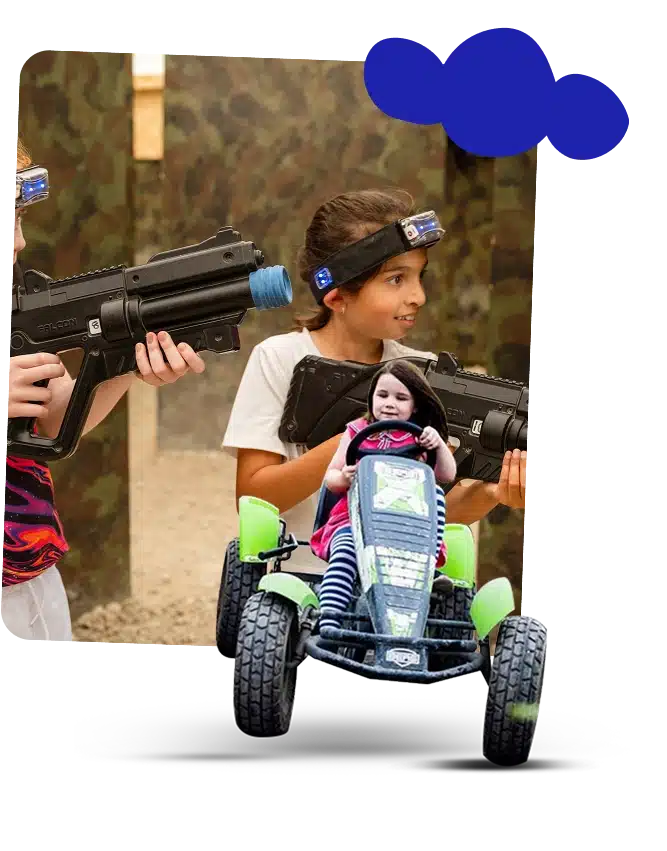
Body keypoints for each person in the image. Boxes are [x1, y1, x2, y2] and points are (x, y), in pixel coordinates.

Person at [222, 188, 527, 583]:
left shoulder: (426, 374)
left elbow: (432, 515)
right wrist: (361, 436)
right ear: (336, 295)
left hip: (400, 580)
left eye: (420, 276)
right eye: (396, 279)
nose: (418, 296)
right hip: (302, 578)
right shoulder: (279, 358)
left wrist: (492, 494)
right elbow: (254, 497)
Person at [2, 137, 206, 647]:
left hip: (29, 565)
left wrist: (126, 366)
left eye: (21, 218)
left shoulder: (12, 290)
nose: (19, 243)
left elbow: (55, 417)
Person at [312, 359, 458, 630]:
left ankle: (427, 573)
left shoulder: (422, 438)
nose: (390, 403)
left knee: (435, 492)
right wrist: (344, 476)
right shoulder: (357, 431)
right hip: (355, 523)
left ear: (415, 405)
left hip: (408, 526)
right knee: (344, 554)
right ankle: (330, 619)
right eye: (383, 395)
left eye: (401, 398)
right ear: (371, 399)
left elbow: (447, 475)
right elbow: (330, 478)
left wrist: (437, 445)